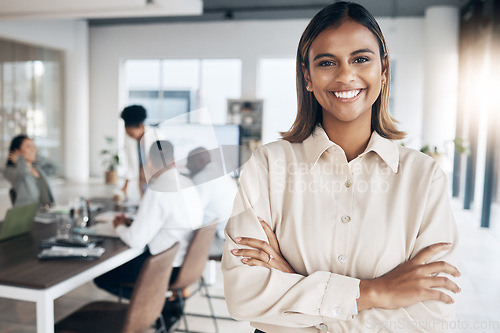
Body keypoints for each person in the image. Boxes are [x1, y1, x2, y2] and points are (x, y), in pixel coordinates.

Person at [222, 2, 460, 332]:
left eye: (361, 59)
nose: (346, 75)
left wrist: (294, 289)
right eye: (326, 62)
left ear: (383, 69)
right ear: (307, 76)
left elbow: (432, 315)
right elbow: (244, 296)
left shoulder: (424, 178)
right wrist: (379, 292)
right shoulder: (267, 166)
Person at [94, 140, 203, 327]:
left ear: (149, 163)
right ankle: (164, 305)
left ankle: (160, 305)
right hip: (185, 263)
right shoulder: (187, 183)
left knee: (102, 277)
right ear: (174, 159)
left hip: (163, 269)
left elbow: (135, 240)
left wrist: (119, 225)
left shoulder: (158, 188)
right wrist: (135, 223)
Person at [186, 147, 238, 239]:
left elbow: (192, 214)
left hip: (218, 239)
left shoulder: (201, 178)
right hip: (231, 234)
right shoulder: (220, 173)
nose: (186, 166)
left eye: (189, 162)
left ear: (199, 161)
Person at [4, 134, 54, 208]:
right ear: (17, 151)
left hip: (47, 213)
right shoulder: (10, 171)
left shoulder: (38, 169)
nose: (33, 149)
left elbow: (56, 167)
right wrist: (20, 159)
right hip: (29, 215)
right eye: (28, 146)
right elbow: (23, 172)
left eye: (33, 146)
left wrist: (36, 156)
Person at [120, 104, 154, 200]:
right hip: (139, 178)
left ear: (140, 126)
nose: (130, 136)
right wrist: (125, 186)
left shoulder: (156, 136)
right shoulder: (130, 140)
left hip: (152, 177)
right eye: (128, 134)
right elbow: (130, 166)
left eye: (131, 134)